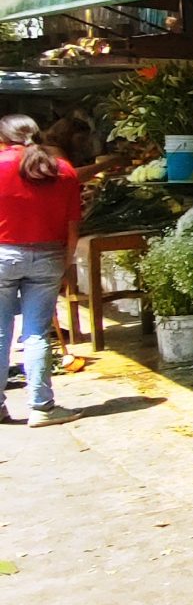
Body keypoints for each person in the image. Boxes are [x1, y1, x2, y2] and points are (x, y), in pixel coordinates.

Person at [0, 115, 82, 425]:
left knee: (0, 332)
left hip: (2, 253)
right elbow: (73, 225)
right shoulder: (63, 170)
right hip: (49, 256)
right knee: (36, 334)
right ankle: (41, 408)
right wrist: (67, 263)